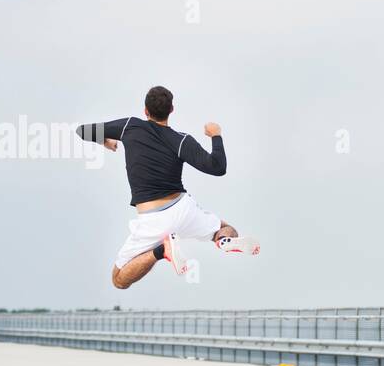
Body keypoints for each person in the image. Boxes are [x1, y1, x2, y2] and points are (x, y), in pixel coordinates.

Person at [76, 85, 259, 289]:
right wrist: (216, 135)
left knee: (118, 279)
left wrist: (104, 140)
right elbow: (217, 167)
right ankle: (224, 241)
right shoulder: (181, 140)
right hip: (184, 209)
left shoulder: (130, 126)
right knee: (225, 228)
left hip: (153, 218)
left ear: (145, 111)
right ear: (171, 110)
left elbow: (83, 131)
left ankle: (161, 251)